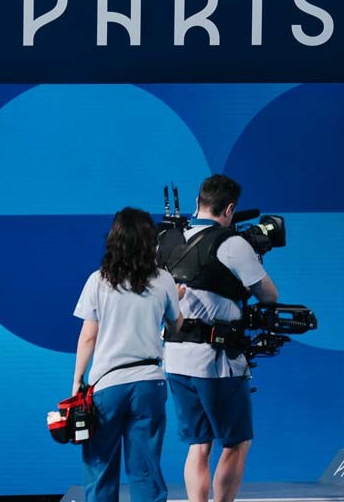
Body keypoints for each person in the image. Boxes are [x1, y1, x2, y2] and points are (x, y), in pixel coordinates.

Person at [163, 174, 279, 502]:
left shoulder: (166, 240)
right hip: (216, 362)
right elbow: (269, 296)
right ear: (229, 209)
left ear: (198, 202)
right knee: (236, 442)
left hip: (175, 358)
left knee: (199, 444)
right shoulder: (233, 244)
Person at [72, 207, 184, 502]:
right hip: (149, 384)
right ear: (151, 241)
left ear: (114, 239)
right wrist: (176, 299)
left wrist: (77, 381)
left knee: (100, 470)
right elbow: (176, 326)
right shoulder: (164, 280)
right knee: (146, 472)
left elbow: (88, 336)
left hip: (107, 386)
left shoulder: (97, 280)